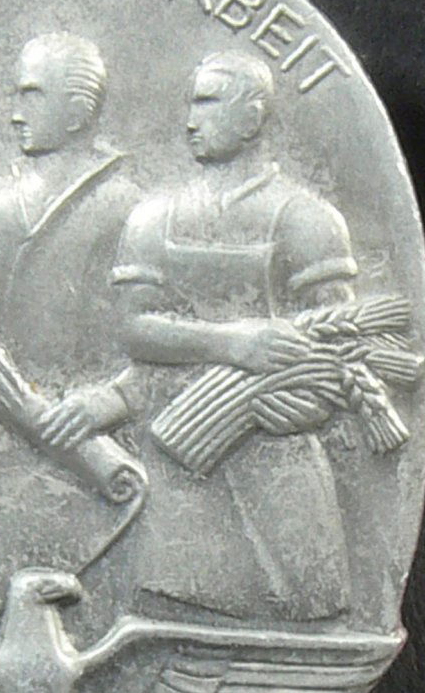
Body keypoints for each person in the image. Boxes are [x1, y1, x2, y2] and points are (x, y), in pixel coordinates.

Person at [113, 50, 357, 624]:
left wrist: (312, 402)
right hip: (180, 451)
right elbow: (131, 328)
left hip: (278, 450)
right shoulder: (154, 216)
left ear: (251, 118)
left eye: (207, 102)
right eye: (190, 103)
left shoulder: (306, 219)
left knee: (307, 610)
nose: (189, 121)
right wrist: (232, 343)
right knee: (179, 608)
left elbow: (343, 340)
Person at [0, 31, 139, 480]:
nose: (15, 113)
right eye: (16, 95)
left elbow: (169, 354)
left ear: (77, 113)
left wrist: (113, 400)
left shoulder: (131, 210)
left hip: (99, 469)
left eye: (32, 95)